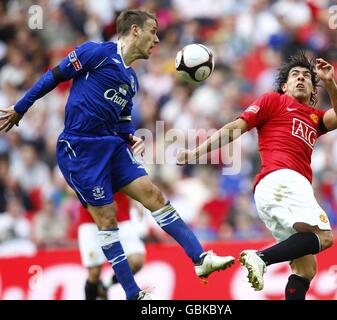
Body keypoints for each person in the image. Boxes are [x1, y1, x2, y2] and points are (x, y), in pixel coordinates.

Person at [0, 9, 234, 300]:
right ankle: (132, 293)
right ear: (135, 30)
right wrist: (20, 108)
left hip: (111, 145)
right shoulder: (95, 53)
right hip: (79, 148)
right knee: (107, 217)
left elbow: (122, 118)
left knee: (154, 196)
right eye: (153, 31)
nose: (157, 39)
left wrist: (130, 136)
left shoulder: (132, 80)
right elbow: (54, 76)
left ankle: (200, 259)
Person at [177, 52, 337, 300]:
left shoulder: (316, 119)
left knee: (305, 268)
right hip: (282, 180)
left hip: (275, 192)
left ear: (314, 90)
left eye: (306, 77)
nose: (300, 78)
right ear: (284, 86)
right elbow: (234, 128)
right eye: (294, 75)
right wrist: (197, 152)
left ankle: (263, 260)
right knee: (325, 236)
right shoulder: (273, 101)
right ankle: (260, 258)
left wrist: (330, 81)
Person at [78, 192, 145, 300]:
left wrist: (137, 199)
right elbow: (70, 188)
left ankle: (105, 286)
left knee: (136, 260)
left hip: (121, 217)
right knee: (94, 273)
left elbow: (128, 177)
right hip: (91, 221)